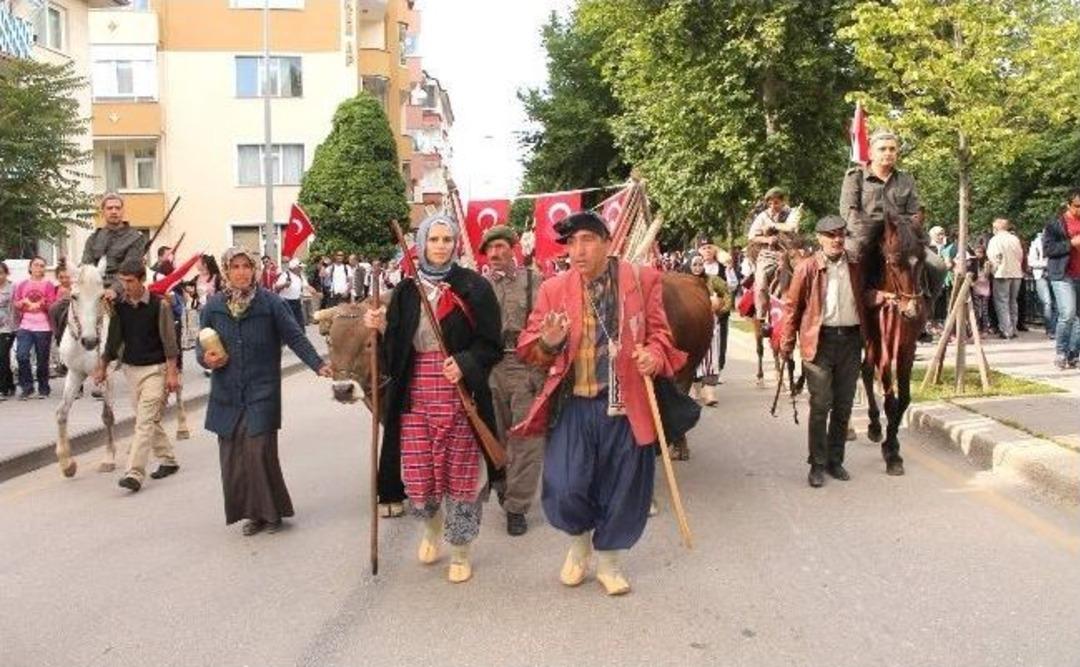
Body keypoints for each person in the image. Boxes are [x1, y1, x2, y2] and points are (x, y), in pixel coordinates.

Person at [513, 211, 687, 596]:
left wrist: (654, 357)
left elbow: (662, 336)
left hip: (626, 403)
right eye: (571, 243)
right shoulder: (553, 289)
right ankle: (579, 546)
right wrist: (550, 341)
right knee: (563, 485)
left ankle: (609, 562)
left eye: (587, 240)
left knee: (624, 486)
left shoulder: (641, 281)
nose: (578, 250)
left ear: (608, 242)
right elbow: (530, 349)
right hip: (574, 404)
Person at [363, 214, 501, 583]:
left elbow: (492, 346)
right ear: (421, 243)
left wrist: (466, 363)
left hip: (458, 394)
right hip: (414, 397)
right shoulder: (407, 292)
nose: (440, 246)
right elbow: (393, 353)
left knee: (460, 476)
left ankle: (460, 550)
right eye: (434, 239)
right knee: (419, 478)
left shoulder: (475, 288)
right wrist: (379, 331)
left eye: (447, 239)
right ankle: (431, 528)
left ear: (455, 243)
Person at [198, 246, 331, 535]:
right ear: (226, 271)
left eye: (247, 266)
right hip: (227, 393)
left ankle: (271, 513)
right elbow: (201, 346)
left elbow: (295, 336)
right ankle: (251, 514)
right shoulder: (213, 307)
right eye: (235, 267)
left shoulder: (270, 303)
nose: (242, 272)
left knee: (259, 452)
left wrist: (318, 364)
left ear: (255, 269)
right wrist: (206, 358)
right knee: (233, 458)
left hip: (262, 390)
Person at [780, 215, 871, 486]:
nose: (837, 239)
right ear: (819, 239)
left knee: (843, 406)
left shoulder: (856, 266)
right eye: (830, 235)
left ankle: (835, 461)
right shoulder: (807, 268)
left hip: (851, 341)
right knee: (821, 404)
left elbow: (866, 298)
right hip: (819, 342)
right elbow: (792, 308)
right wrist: (786, 343)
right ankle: (817, 464)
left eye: (841, 234)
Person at [479, 225, 545, 537]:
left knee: (526, 438)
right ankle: (503, 485)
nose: (495, 254)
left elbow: (547, 324)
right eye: (490, 250)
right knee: (496, 436)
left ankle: (517, 506)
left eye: (501, 247)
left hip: (524, 364)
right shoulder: (478, 286)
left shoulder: (534, 281)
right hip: (490, 365)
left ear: (513, 248)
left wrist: (538, 369)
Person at [93, 260, 181, 492]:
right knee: (149, 419)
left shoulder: (158, 305)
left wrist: (172, 374)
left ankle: (134, 473)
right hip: (131, 370)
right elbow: (113, 340)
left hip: (156, 370)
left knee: (143, 422)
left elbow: (170, 342)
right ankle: (168, 460)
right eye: (122, 281)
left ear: (142, 280)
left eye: (130, 281)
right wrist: (102, 366)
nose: (125, 285)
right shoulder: (119, 307)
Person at [840, 129, 945, 294]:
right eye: (882, 149)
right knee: (845, 269)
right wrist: (875, 230)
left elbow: (914, 213)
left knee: (938, 266)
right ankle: (848, 312)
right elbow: (849, 212)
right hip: (863, 237)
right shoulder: (855, 176)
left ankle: (928, 307)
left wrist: (900, 232)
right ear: (871, 153)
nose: (888, 153)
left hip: (901, 239)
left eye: (892, 149)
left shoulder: (906, 179)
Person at [747, 187, 797, 334]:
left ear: (782, 201)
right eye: (770, 203)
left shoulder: (791, 213)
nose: (773, 206)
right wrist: (767, 238)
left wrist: (776, 227)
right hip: (768, 254)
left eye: (776, 203)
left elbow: (793, 227)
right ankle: (762, 318)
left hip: (788, 253)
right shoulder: (762, 216)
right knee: (761, 282)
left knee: (803, 275)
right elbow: (752, 237)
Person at [81, 193, 147, 299]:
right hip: (95, 287)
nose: (114, 211)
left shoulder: (135, 238)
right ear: (103, 212)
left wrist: (114, 290)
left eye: (117, 208)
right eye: (109, 208)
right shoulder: (93, 238)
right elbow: (86, 266)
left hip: (124, 289)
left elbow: (129, 271)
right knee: (58, 307)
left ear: (122, 211)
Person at [1042, 189, 1080, 369]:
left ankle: (1073, 353)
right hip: (1063, 274)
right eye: (1077, 206)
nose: (1079, 210)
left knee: (1078, 317)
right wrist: (1071, 244)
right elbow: (1049, 250)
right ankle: (1061, 352)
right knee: (1068, 313)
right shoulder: (1056, 224)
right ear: (1068, 205)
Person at [13, 256, 56, 400]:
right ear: (30, 267)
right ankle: (27, 387)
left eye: (42, 265)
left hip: (43, 327)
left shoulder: (48, 285)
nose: (39, 268)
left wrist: (41, 304)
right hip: (25, 326)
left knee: (42, 359)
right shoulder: (22, 284)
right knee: (22, 355)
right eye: (36, 265)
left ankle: (44, 388)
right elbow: (16, 303)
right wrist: (23, 303)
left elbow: (52, 305)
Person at [985, 218, 1024, 339]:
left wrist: (993, 270)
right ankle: (1014, 327)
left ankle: (1006, 330)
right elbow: (1020, 255)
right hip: (1016, 273)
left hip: (1002, 273)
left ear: (996, 228)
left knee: (1002, 302)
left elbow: (995, 257)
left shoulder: (995, 240)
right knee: (1013, 301)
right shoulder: (1015, 239)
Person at [1029, 229, 1056, 337]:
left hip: (1055, 274)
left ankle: (1056, 328)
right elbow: (1031, 261)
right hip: (1041, 275)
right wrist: (1046, 264)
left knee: (1057, 304)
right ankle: (1050, 329)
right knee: (1047, 302)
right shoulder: (1036, 243)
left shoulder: (1056, 242)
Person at [274, 258, 306, 328]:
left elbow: (306, 286)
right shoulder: (285, 275)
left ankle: (300, 337)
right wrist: (285, 284)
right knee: (287, 323)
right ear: (294, 268)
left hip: (297, 302)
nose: (301, 269)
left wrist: (315, 292)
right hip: (286, 302)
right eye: (300, 267)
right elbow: (276, 287)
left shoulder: (300, 276)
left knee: (300, 323)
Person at [0, 262, 15, 400]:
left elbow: (13, 309)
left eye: (1, 273)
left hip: (7, 328)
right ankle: (10, 385)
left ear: (6, 273)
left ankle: (3, 389)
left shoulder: (12, 288)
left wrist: (13, 328)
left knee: (3, 356)